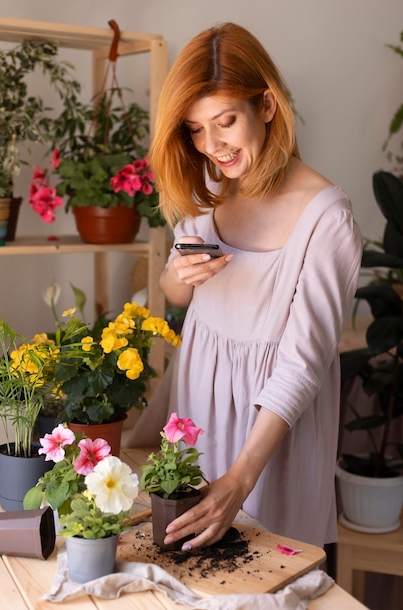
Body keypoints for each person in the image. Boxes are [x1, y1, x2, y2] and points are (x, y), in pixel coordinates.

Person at [128, 22, 362, 550]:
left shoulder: (327, 219)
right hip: (196, 411)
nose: (211, 146)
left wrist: (239, 478)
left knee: (268, 581)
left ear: (269, 106)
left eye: (225, 121)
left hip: (272, 440)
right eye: (194, 129)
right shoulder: (207, 186)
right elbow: (177, 296)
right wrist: (175, 274)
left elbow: (302, 364)